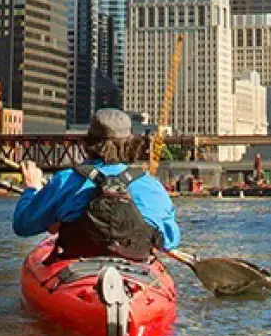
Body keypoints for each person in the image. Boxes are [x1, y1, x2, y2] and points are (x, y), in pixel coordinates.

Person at [12, 109, 180, 261]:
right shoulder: (152, 186)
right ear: (131, 145)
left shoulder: (65, 180)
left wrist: (32, 188)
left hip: (77, 266)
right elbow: (170, 241)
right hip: (134, 270)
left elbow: (22, 225)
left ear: (89, 143)